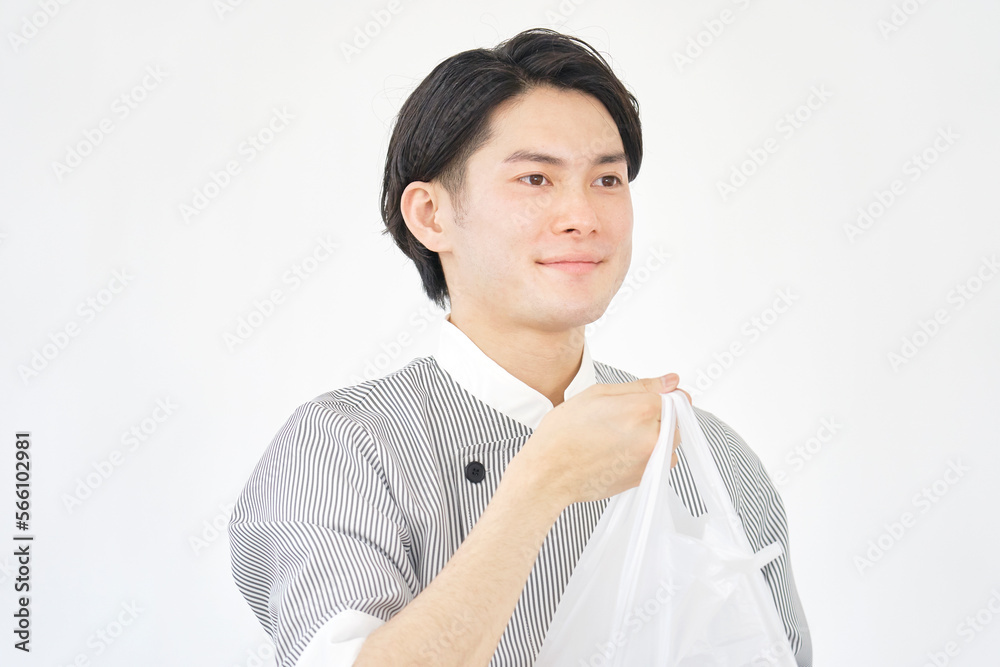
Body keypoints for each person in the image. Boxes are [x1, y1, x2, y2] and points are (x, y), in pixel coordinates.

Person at [228, 27, 812, 667]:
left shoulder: (707, 454)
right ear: (431, 216)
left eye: (607, 179)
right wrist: (540, 484)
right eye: (536, 178)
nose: (582, 217)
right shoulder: (344, 447)